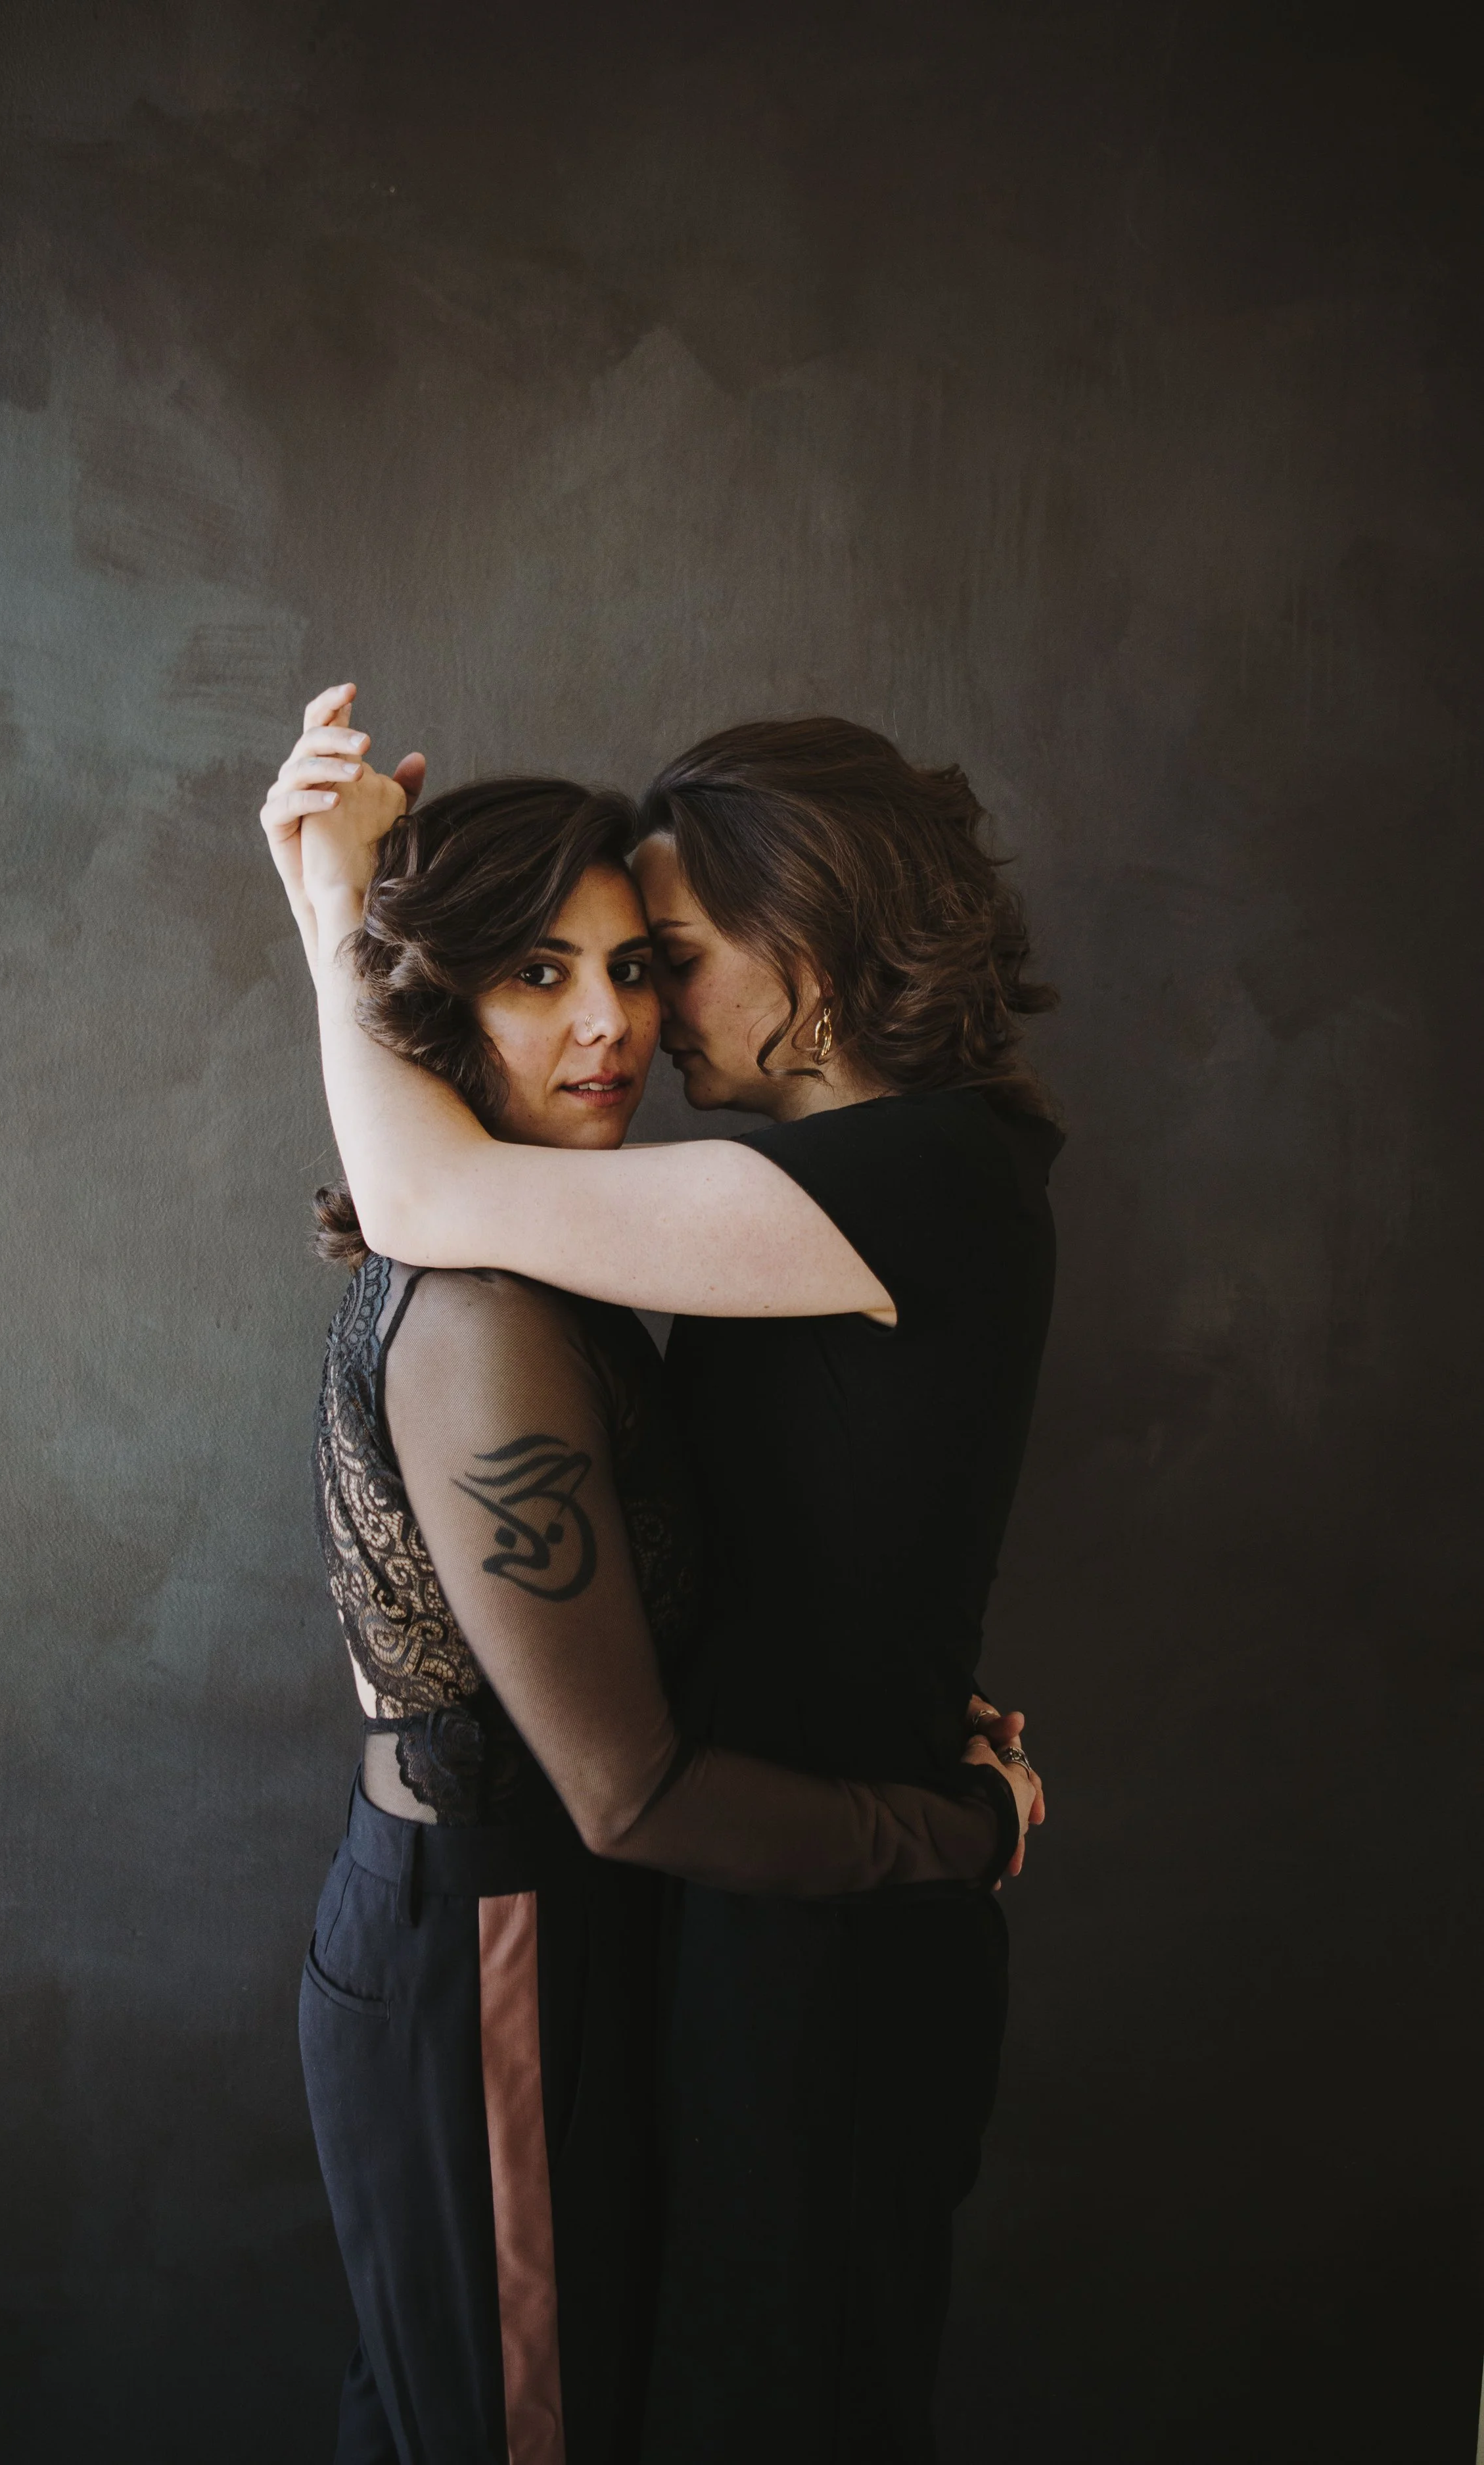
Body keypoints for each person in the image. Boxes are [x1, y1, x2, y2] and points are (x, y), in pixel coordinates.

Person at [262, 745, 1039, 2465]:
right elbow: (431, 1211)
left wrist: (921, 1758)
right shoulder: (516, 1293)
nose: (632, 1016)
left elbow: (430, 1197)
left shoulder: (912, 1173)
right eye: (550, 971)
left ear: (812, 951)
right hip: (647, 1898)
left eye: (656, 955)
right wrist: (339, 918)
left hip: (792, 1926)